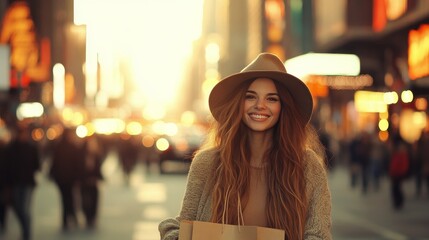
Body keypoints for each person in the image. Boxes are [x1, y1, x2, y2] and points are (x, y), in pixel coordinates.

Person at [159, 53, 332, 239]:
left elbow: (319, 235)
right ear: (238, 104)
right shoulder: (207, 163)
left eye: (271, 99)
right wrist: (174, 235)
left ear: (284, 107)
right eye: (251, 97)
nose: (260, 105)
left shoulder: (307, 166)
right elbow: (185, 224)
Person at [4, 124, 40, 240]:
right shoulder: (11, 148)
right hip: (15, 182)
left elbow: (36, 165)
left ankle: (26, 231)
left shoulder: (31, 148)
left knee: (23, 207)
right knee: (18, 207)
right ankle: (26, 227)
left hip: (27, 182)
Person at [49, 127, 83, 231]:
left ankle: (67, 218)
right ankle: (70, 216)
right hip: (68, 178)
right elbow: (77, 164)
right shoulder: (72, 146)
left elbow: (54, 161)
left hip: (62, 178)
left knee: (65, 198)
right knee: (69, 198)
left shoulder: (59, 146)